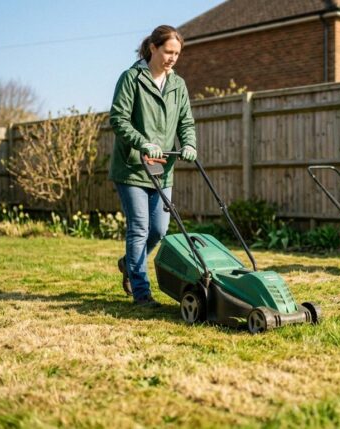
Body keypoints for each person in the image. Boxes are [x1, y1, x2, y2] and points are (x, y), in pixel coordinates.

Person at [108, 25, 197, 306]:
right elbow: (118, 119)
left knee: (159, 229)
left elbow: (185, 121)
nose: (172, 58)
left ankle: (129, 263)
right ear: (153, 48)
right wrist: (142, 142)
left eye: (177, 54)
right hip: (133, 166)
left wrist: (190, 143)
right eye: (168, 52)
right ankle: (142, 293)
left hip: (163, 168)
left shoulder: (177, 84)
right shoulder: (132, 79)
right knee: (139, 228)